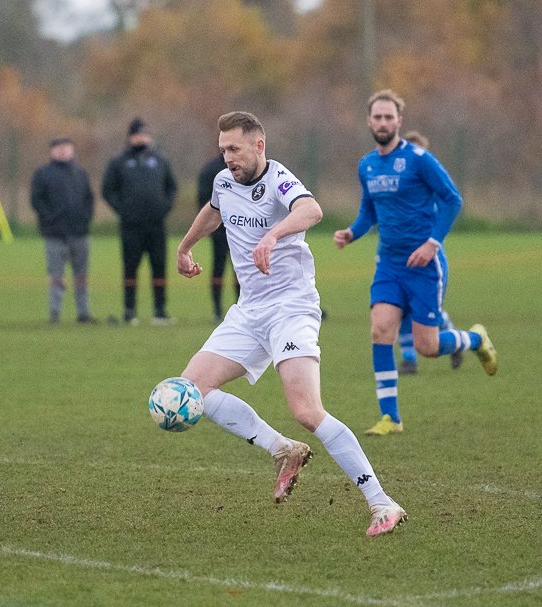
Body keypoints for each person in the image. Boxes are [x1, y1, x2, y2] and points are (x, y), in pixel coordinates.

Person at [176, 111, 406, 537]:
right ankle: (282, 450)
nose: (227, 157)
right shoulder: (224, 181)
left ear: (258, 146)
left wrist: (273, 235)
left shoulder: (279, 179)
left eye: (235, 149)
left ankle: (382, 502)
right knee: (190, 390)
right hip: (248, 311)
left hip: (291, 308)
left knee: (306, 410)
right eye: (223, 149)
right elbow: (214, 209)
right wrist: (186, 245)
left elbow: (312, 210)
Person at [334, 89, 497, 437]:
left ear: (399, 121)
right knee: (380, 330)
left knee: (428, 347)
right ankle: (391, 417)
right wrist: (352, 232)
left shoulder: (420, 159)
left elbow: (452, 200)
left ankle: (474, 339)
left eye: (388, 117)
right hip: (389, 265)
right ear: (369, 121)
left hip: (425, 266)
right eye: (377, 117)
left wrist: (431, 243)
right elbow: (369, 212)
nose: (382, 122)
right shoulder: (367, 165)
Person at [395, 130, 462, 374]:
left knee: (423, 311)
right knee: (400, 307)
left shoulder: (429, 185)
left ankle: (455, 339)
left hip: (425, 256)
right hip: (397, 257)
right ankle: (409, 359)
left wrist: (432, 241)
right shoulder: (394, 182)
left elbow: (450, 204)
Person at [102, 118, 178, 325]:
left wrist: (164, 206)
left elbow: (171, 187)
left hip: (156, 225)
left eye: (144, 134)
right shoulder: (119, 162)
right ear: (129, 138)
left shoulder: (160, 161)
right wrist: (124, 210)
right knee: (130, 267)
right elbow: (108, 190)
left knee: (159, 267)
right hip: (131, 226)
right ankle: (129, 311)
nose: (141, 138)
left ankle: (160, 311)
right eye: (137, 135)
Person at [30, 137, 96, 324]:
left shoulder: (80, 173)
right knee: (57, 277)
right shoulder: (43, 174)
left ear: (73, 150)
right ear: (52, 151)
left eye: (66, 147)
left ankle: (83, 314)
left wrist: (86, 218)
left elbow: (89, 199)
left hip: (79, 233)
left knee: (81, 276)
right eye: (58, 148)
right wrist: (49, 220)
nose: (63, 151)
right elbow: (36, 200)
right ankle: (54, 314)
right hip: (54, 234)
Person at [197, 152, 239, 323]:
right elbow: (203, 200)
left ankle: (242, 307)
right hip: (219, 231)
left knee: (242, 269)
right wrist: (207, 226)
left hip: (243, 230)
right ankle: (217, 309)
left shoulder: (245, 169)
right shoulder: (211, 170)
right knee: (218, 268)